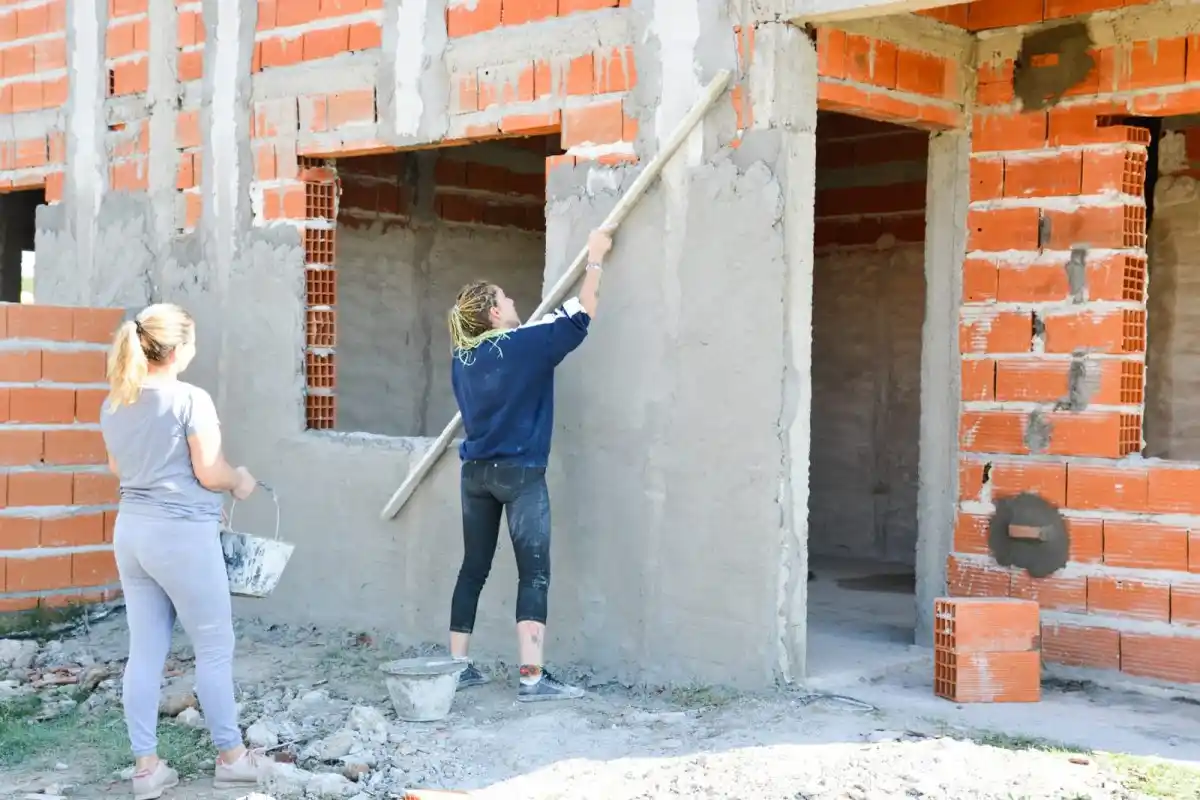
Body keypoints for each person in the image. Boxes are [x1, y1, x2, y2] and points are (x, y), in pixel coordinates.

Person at [100, 303, 266, 800]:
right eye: (192, 341)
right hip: (181, 536)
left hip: (132, 533)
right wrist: (239, 481)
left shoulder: (116, 401)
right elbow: (210, 471)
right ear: (176, 350)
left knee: (145, 650)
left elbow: (118, 468)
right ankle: (233, 758)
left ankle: (146, 769)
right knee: (213, 646)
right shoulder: (190, 399)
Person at [445, 228, 613, 702]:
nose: (513, 300)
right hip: (519, 476)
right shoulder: (524, 344)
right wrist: (595, 258)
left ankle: (457, 667)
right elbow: (583, 313)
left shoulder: (462, 359)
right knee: (533, 573)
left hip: (476, 475)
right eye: (505, 298)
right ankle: (532, 677)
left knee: (473, 568)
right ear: (494, 313)